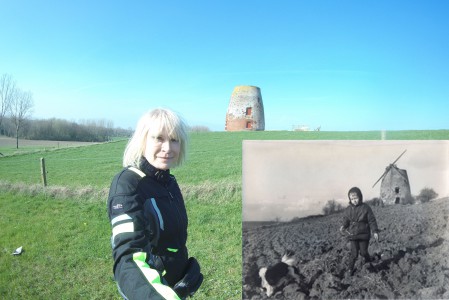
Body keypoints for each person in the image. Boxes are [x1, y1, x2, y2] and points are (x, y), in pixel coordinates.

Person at [107, 108, 203, 299]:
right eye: (159, 138)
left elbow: (169, 241)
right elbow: (129, 259)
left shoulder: (168, 182)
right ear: (142, 140)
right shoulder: (128, 185)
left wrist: (181, 269)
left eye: (174, 139)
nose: (168, 148)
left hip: (173, 287)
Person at [340, 187, 379, 276]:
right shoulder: (348, 209)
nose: (354, 200)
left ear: (360, 197)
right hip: (353, 235)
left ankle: (369, 263)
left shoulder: (366, 208)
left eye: (356, 198)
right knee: (354, 254)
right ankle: (350, 270)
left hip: (364, 235)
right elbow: (346, 220)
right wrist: (343, 226)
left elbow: (371, 220)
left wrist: (375, 231)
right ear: (350, 199)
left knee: (363, 252)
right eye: (352, 199)